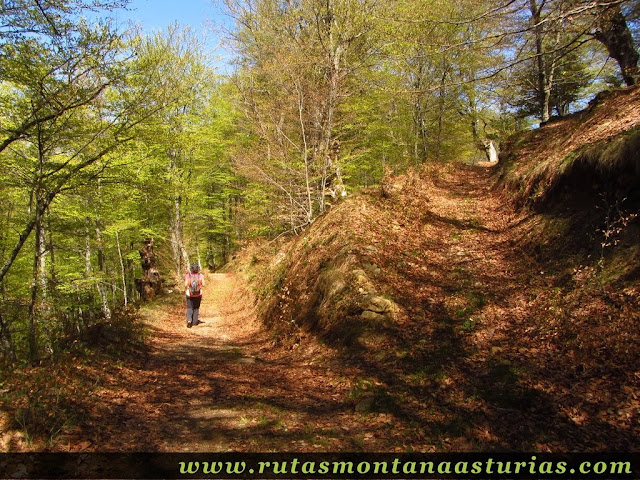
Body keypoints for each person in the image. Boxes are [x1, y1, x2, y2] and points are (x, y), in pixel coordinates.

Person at [185, 263, 204, 328]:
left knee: (190, 307)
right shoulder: (200, 275)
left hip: (189, 294)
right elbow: (203, 284)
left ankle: (189, 320)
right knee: (196, 308)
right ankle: (195, 321)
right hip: (198, 294)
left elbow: (185, 284)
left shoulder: (188, 275)